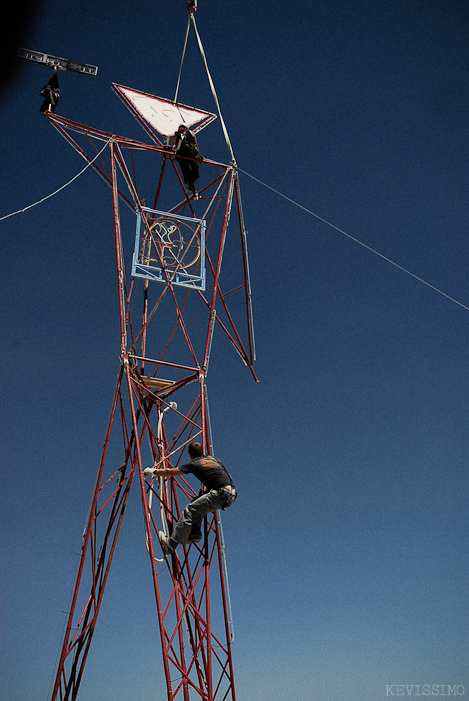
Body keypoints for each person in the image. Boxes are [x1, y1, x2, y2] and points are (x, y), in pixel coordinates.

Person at [143, 442, 236, 555]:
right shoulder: (214, 460)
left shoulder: (194, 464)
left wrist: (153, 472)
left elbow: (170, 472)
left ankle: (171, 545)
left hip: (220, 494)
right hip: (231, 494)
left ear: (190, 454)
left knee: (190, 510)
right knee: (197, 504)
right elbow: (223, 475)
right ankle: (195, 534)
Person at [173, 125, 203, 198]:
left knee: (186, 173)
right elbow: (195, 144)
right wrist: (197, 153)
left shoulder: (176, 135)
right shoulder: (191, 132)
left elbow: (176, 146)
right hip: (191, 154)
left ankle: (193, 190)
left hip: (181, 157)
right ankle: (192, 189)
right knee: (195, 173)